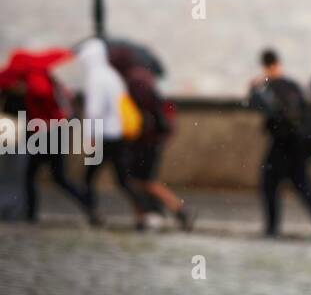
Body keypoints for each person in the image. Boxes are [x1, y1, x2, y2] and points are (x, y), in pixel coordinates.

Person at [248, 49, 311, 240]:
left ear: (264, 65)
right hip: (299, 142)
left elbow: (258, 105)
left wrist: (254, 88)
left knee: (270, 183)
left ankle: (272, 228)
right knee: (302, 184)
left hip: (285, 142)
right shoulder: (292, 85)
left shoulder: (269, 86)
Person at [0, 48, 94, 223]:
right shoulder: (47, 76)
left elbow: (40, 93)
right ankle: (32, 214)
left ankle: (32, 215)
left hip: (47, 132)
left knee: (46, 176)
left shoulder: (35, 78)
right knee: (44, 176)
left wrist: (25, 90)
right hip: (51, 130)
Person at [107, 44, 195, 231]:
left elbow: (144, 111)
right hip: (150, 138)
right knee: (139, 180)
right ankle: (154, 213)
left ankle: (177, 209)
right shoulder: (142, 78)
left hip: (146, 139)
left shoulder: (135, 81)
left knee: (143, 181)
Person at [76, 38, 150, 228]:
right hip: (117, 134)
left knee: (88, 178)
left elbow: (94, 111)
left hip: (103, 136)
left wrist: (88, 137)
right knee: (123, 179)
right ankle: (143, 213)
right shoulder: (111, 75)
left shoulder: (95, 78)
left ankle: (93, 214)